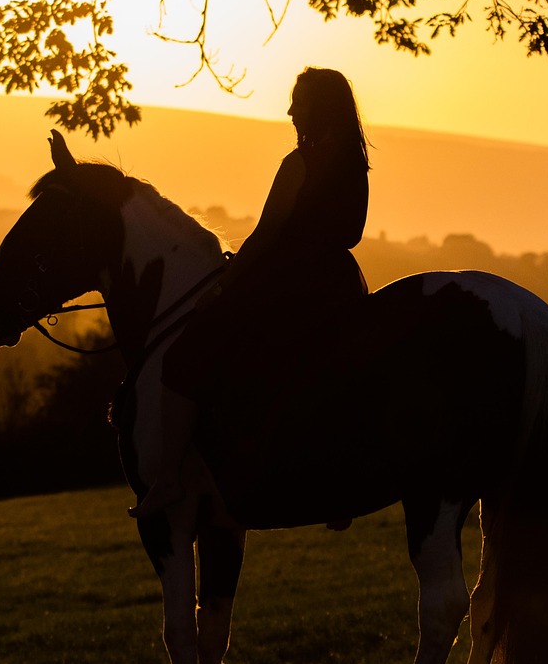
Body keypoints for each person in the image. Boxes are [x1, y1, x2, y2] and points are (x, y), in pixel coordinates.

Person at [129, 67, 371, 518]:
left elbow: (266, 233)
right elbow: (353, 233)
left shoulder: (299, 163)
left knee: (188, 352)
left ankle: (165, 481)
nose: (290, 110)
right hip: (338, 282)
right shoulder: (356, 165)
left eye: (297, 101)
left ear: (315, 107)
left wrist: (224, 282)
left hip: (287, 280)